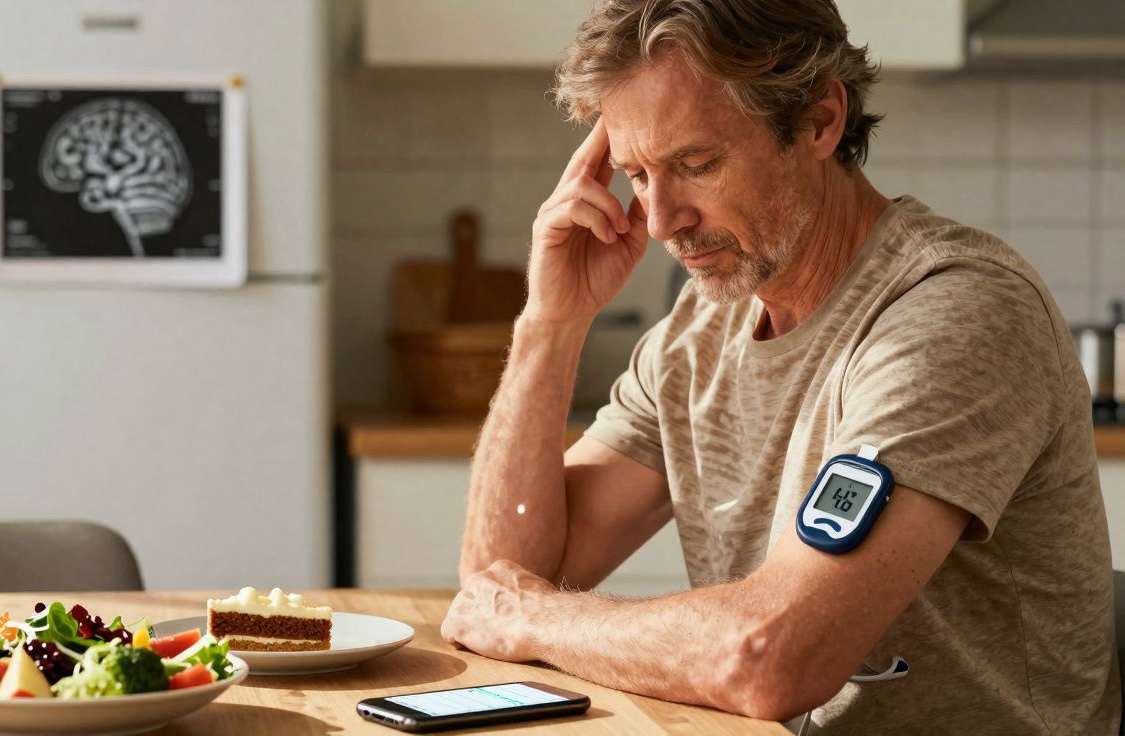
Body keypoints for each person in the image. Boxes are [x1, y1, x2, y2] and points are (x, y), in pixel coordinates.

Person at [438, 0, 1121, 733]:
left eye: (695, 165)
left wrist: (537, 619)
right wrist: (551, 322)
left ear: (821, 120)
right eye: (636, 174)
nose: (661, 221)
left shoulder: (953, 312)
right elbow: (503, 579)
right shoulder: (703, 326)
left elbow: (772, 658)